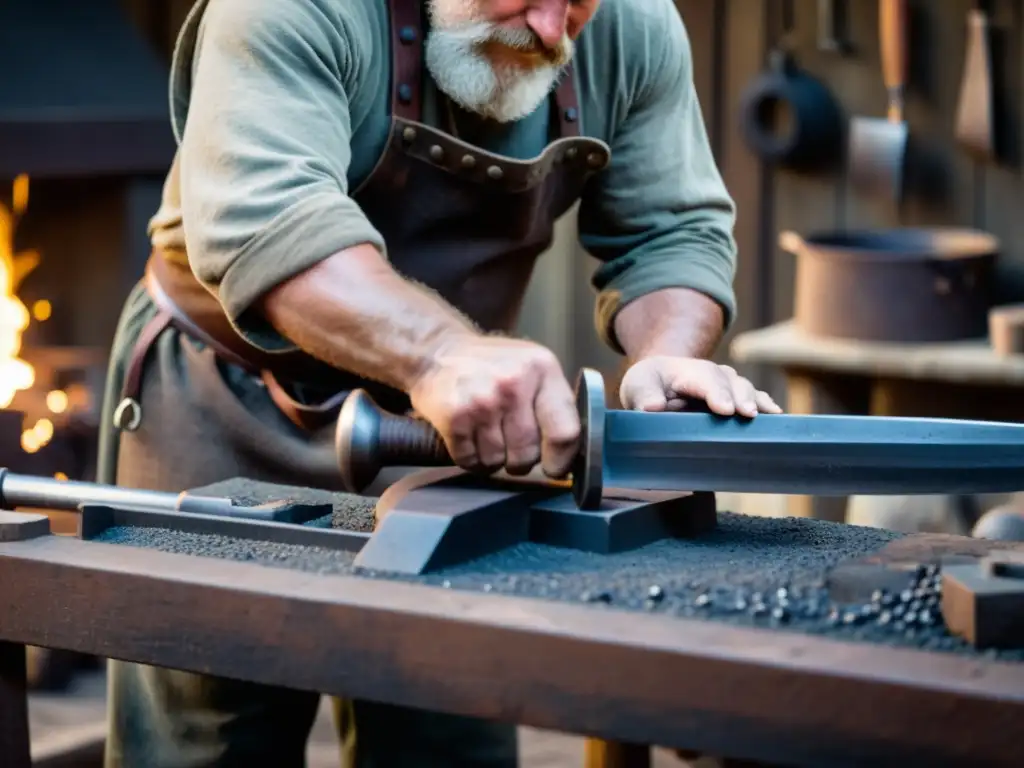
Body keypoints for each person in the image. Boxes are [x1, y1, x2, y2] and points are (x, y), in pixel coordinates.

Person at [96, 0, 781, 765]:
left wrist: (666, 350)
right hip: (229, 405)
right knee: (208, 741)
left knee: (448, 726)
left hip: (452, 433)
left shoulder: (631, 23)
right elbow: (271, 226)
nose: (555, 33)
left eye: (576, 5)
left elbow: (672, 230)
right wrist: (439, 358)